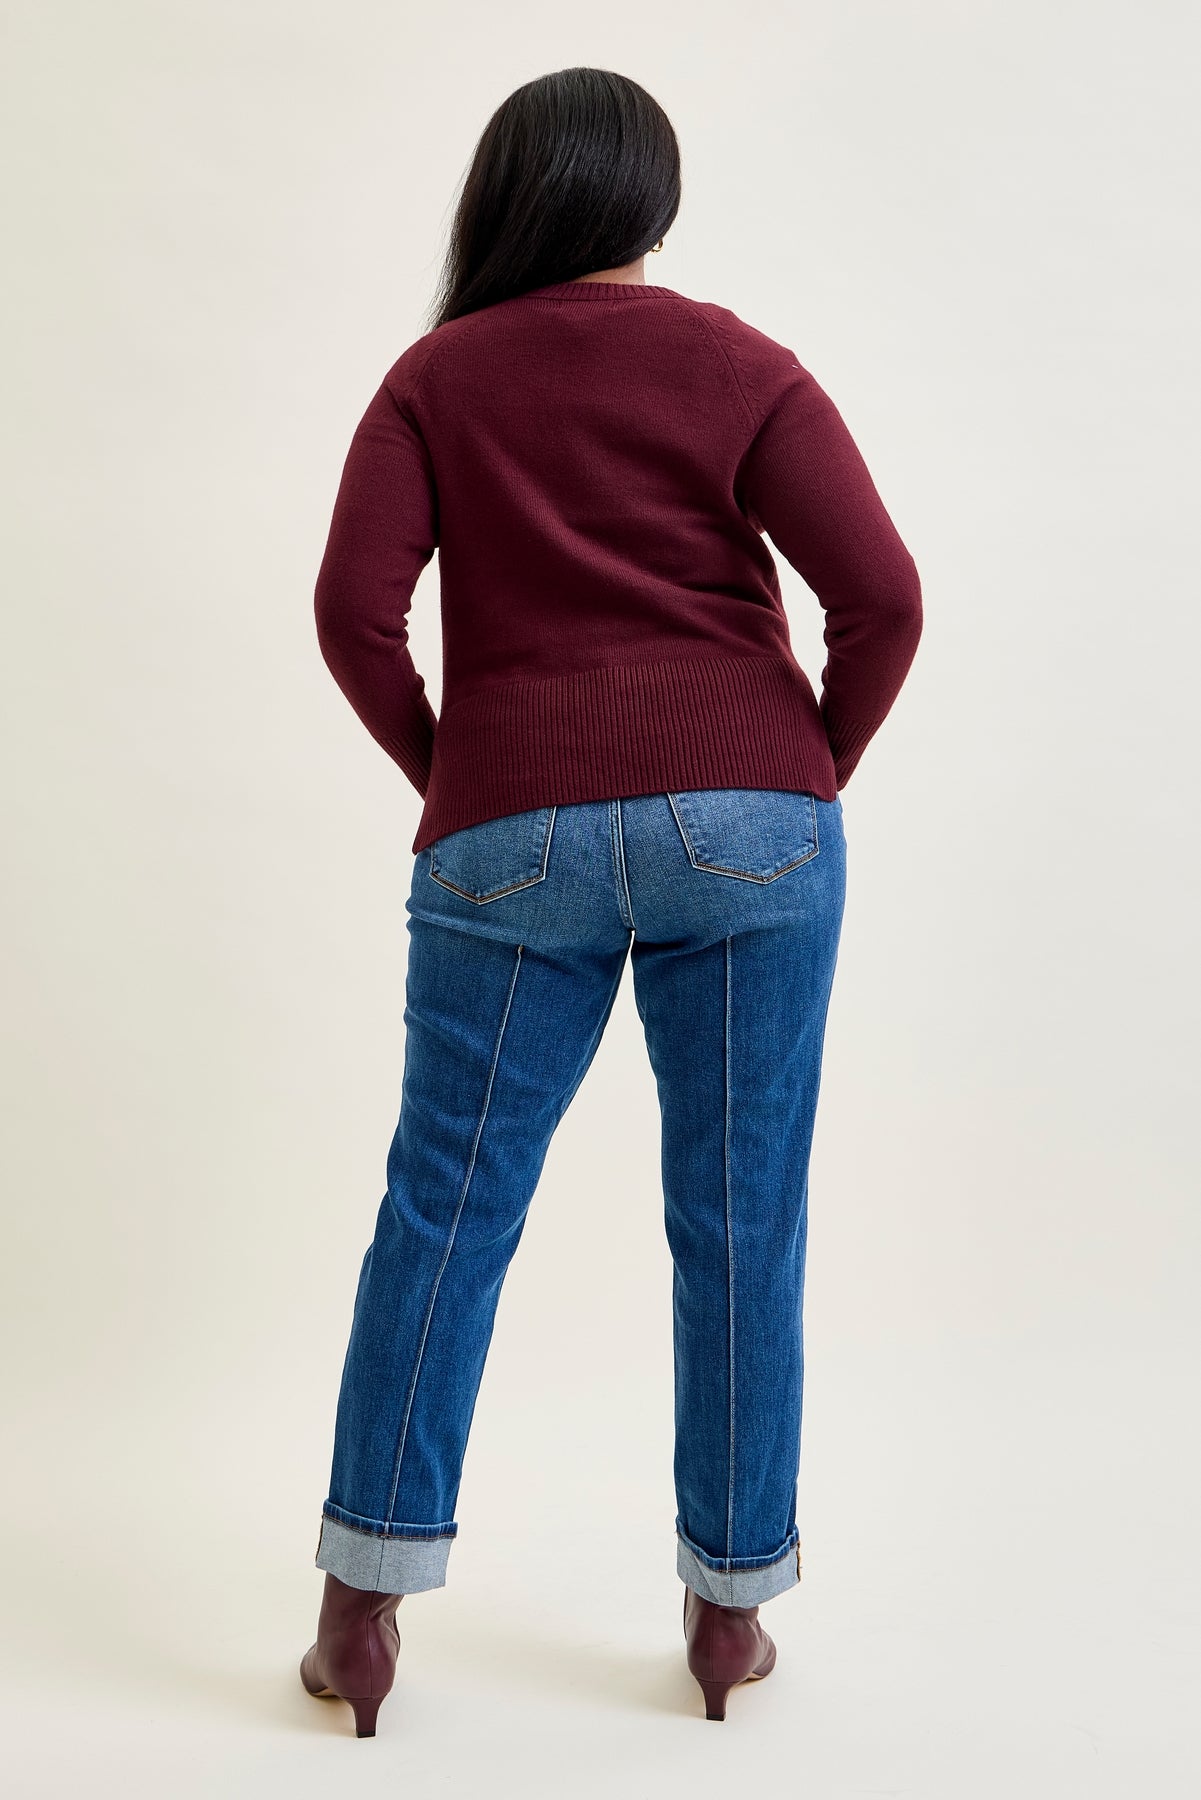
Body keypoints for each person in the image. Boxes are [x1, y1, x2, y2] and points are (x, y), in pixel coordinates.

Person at [298, 65, 923, 1736]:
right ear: (652, 199)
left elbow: (352, 613)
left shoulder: (433, 380)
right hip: (754, 820)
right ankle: (729, 1612)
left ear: (505, 197)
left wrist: (461, 773)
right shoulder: (739, 363)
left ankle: (361, 1615)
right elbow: (881, 596)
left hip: (507, 832)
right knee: (741, 1218)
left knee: (444, 1210)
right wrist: (800, 770)